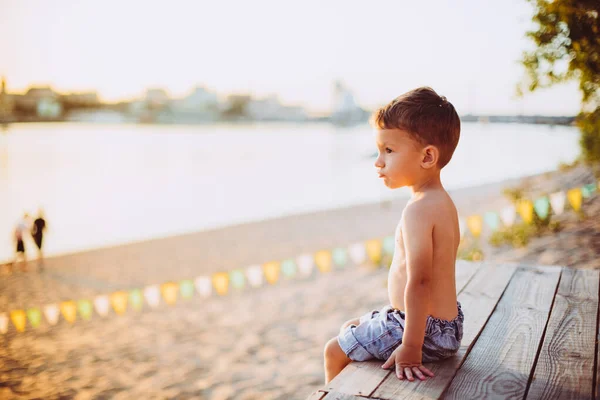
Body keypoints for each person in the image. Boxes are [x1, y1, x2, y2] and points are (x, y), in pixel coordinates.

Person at [323, 87, 463, 383]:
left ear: (427, 156)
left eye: (388, 150)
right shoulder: (442, 202)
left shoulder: (419, 210)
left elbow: (421, 280)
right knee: (352, 326)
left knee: (334, 350)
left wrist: (411, 345)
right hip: (448, 327)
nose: (378, 161)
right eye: (378, 150)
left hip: (421, 331)